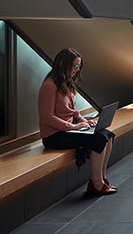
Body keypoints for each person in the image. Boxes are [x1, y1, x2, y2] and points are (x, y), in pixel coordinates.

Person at [38, 48, 117, 195]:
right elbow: (46, 117)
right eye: (74, 65)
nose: (77, 69)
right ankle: (96, 184)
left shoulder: (67, 83)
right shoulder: (49, 86)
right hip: (54, 136)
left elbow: (72, 111)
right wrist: (73, 126)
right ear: (62, 64)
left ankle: (101, 178)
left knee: (108, 135)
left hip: (68, 130)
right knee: (99, 139)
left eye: (79, 66)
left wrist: (84, 121)